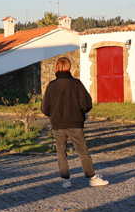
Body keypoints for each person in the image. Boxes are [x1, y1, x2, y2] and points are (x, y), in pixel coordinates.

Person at [41, 57, 109, 188]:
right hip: (75, 123)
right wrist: (81, 113)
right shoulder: (76, 84)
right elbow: (87, 103)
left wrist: (54, 115)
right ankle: (92, 178)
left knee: (61, 153)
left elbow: (45, 108)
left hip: (57, 124)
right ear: (69, 67)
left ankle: (66, 180)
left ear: (56, 67)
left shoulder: (51, 86)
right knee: (83, 152)